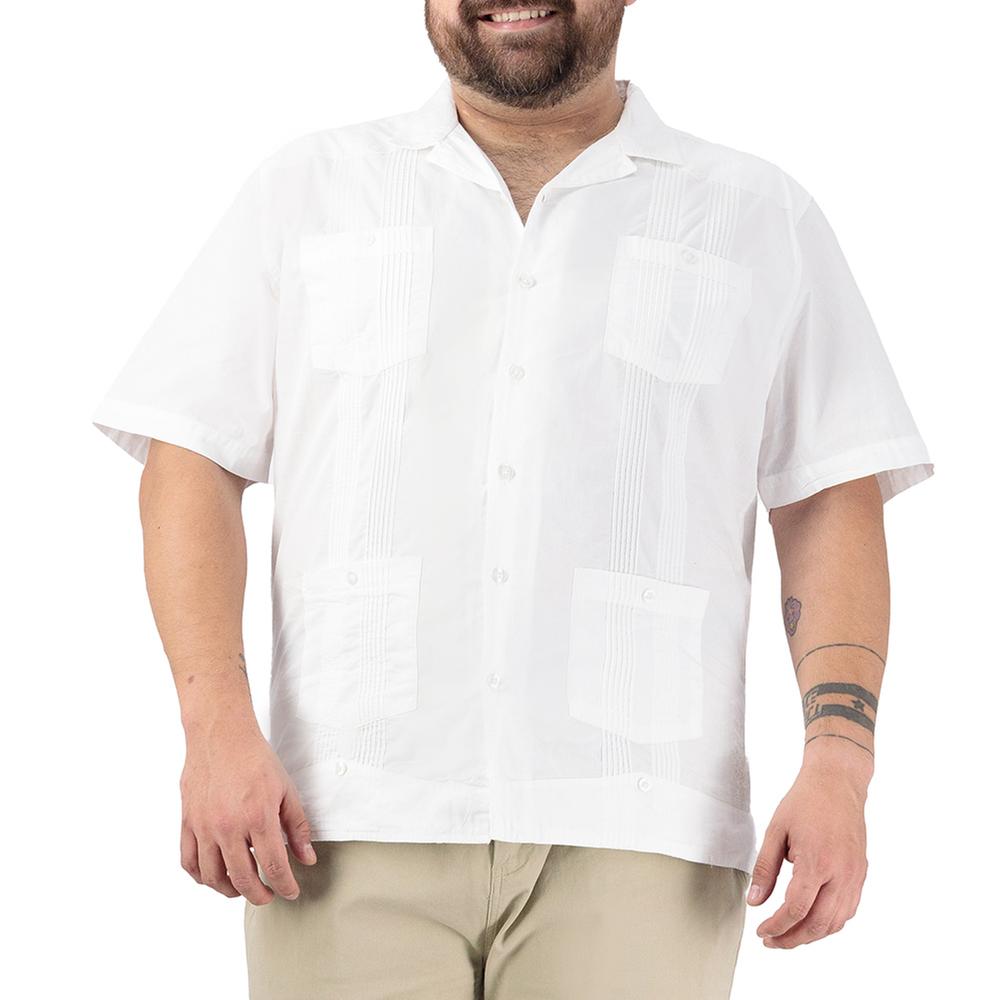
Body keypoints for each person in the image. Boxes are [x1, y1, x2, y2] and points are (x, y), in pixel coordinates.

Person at [91, 2, 934, 998]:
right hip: (342, 816)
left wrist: (839, 762)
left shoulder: (756, 215)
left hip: (641, 824)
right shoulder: (307, 191)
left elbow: (828, 497)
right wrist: (215, 727)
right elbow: (191, 457)